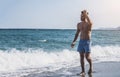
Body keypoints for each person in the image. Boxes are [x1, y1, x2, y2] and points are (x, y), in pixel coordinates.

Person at [71, 10, 93, 75]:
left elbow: (90, 22)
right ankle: (83, 71)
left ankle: (91, 67)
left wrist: (86, 14)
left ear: (86, 16)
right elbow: (77, 33)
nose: (81, 16)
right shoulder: (79, 24)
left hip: (87, 42)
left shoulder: (89, 24)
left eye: (82, 15)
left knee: (87, 57)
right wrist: (74, 41)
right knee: (81, 56)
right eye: (80, 15)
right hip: (81, 41)